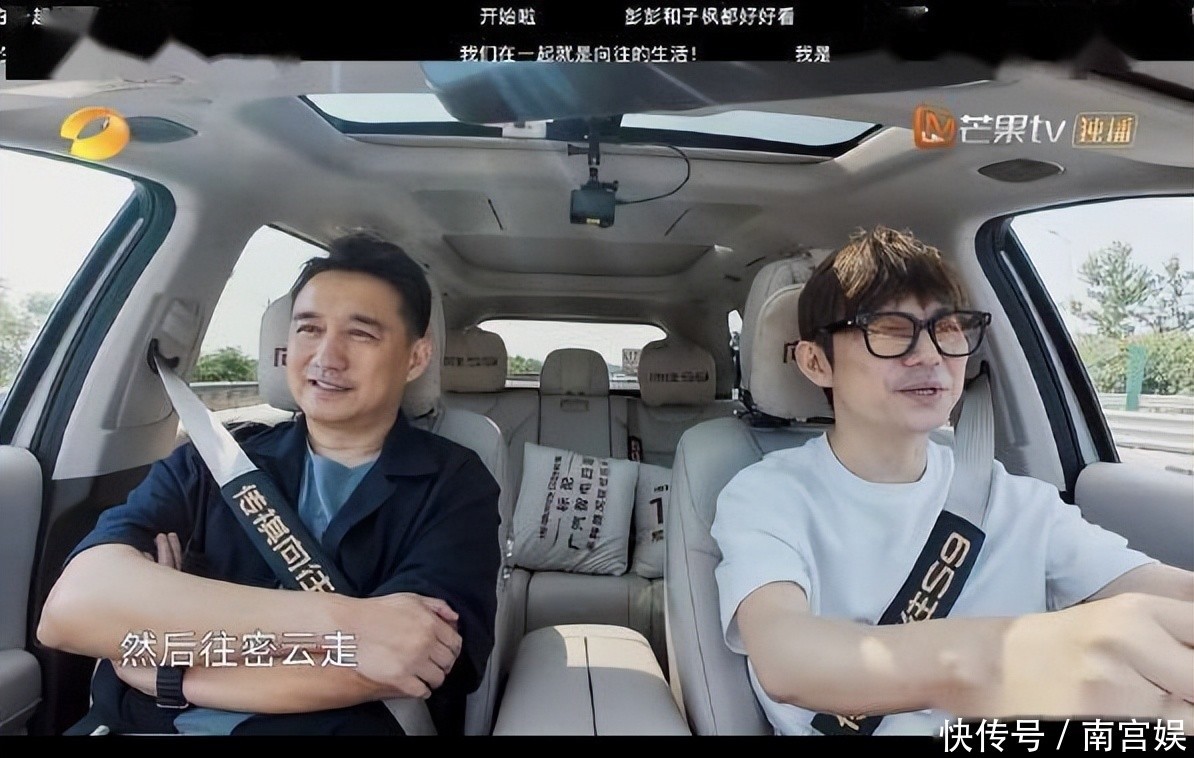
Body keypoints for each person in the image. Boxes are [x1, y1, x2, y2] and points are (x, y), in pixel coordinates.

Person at [711, 225, 1194, 736]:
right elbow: (787, 658)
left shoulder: (1013, 499)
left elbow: (1164, 592)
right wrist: (1014, 654)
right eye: (889, 329)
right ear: (815, 361)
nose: (930, 355)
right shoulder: (767, 496)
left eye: (948, 328)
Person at [37, 232, 502, 735]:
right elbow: (69, 612)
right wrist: (348, 624)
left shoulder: (454, 483)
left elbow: (410, 656)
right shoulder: (211, 461)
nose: (326, 357)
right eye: (309, 329)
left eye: (361, 334)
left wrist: (166, 664)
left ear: (416, 357)